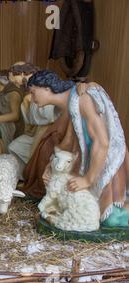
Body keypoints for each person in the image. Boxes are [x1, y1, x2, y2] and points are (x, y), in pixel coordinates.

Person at [27, 70, 129, 228]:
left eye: (33, 93)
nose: (32, 99)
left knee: (112, 220)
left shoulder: (82, 99)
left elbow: (102, 143)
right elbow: (68, 144)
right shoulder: (68, 106)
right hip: (87, 163)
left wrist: (88, 179)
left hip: (105, 163)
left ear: (46, 88)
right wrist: (52, 166)